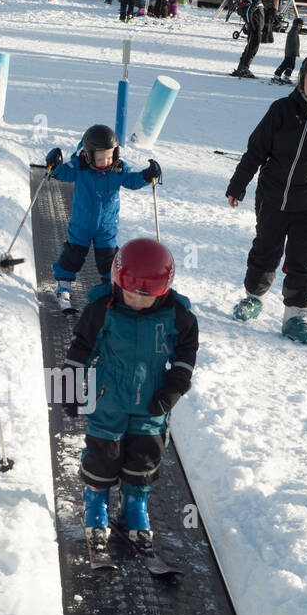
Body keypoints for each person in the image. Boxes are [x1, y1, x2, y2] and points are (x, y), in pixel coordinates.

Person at [61, 239, 198, 559]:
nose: (136, 301)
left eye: (145, 297)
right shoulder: (101, 309)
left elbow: (186, 352)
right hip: (108, 398)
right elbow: (80, 347)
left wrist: (175, 386)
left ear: (163, 292)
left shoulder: (176, 315)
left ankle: (135, 505)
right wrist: (67, 388)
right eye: (130, 293)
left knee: (145, 457)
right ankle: (96, 501)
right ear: (116, 283)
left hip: (152, 402)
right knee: (102, 455)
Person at [227, 51, 307, 345]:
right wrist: (238, 184)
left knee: (302, 259)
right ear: (302, 78)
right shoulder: (281, 109)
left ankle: (296, 316)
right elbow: (256, 150)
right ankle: (253, 297)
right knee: (265, 249)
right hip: (271, 196)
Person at [43, 124, 159, 312]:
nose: (106, 161)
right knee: (73, 255)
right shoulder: (79, 167)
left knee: (109, 260)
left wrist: (147, 175)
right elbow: (62, 173)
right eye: (100, 158)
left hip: (107, 227)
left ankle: (112, 290)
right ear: (88, 155)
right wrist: (54, 166)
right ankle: (63, 288)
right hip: (81, 224)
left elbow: (132, 180)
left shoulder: (119, 169)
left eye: (110, 156)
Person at [229, 0, 264, 77]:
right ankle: (244, 69)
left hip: (256, 29)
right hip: (255, 30)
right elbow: (249, 12)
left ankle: (241, 67)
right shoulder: (257, 0)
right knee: (252, 49)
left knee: (250, 48)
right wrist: (250, 25)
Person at [274, 15, 301, 83]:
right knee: (291, 65)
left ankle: (277, 75)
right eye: (299, 25)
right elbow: (293, 43)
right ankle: (286, 77)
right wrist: (294, 52)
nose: (300, 27)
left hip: (289, 52)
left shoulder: (294, 31)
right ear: (296, 25)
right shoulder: (294, 32)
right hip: (291, 52)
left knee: (285, 64)